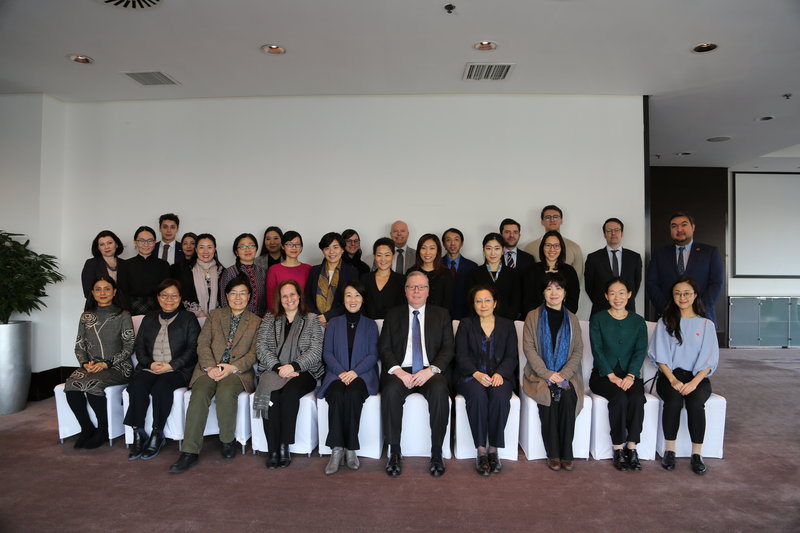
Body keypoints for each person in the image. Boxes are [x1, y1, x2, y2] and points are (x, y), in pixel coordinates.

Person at [169, 274, 261, 474]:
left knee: (226, 393)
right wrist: (210, 367)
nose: (238, 298)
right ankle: (189, 451)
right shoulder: (215, 315)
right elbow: (202, 343)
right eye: (233, 293)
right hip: (208, 369)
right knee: (199, 393)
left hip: (237, 372)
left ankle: (227, 440)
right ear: (226, 296)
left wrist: (231, 367)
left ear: (249, 296)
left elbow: (254, 353)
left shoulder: (256, 321)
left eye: (242, 293)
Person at [380, 271, 454, 477]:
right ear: (405, 291)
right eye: (412, 287)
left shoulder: (441, 314)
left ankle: (437, 451)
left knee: (439, 389)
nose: (416, 291)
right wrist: (398, 371)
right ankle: (394, 451)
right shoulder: (393, 314)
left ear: (428, 291)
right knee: (390, 391)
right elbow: (384, 348)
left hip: (430, 370)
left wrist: (431, 370)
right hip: (401, 370)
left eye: (421, 287)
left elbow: (448, 348)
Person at [648, 276, 719, 475]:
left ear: (695, 295)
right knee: (673, 402)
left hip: (697, 378)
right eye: (677, 293)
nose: (682, 297)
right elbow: (660, 356)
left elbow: (709, 359)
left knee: (696, 403)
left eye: (687, 293)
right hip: (670, 376)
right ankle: (670, 451)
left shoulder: (706, 325)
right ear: (673, 296)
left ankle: (697, 454)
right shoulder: (665, 322)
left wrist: (694, 383)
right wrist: (673, 380)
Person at [125, 279, 201, 460]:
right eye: (164, 295)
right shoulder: (149, 318)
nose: (169, 299)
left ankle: (157, 433)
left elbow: (193, 349)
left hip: (178, 370)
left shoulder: (188, 318)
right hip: (150, 368)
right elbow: (140, 347)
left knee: (161, 387)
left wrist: (172, 365)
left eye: (174, 295)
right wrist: (149, 364)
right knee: (136, 386)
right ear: (158, 297)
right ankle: (138, 432)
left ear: (180, 298)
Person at [254, 280, 324, 469]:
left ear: (299, 295)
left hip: (304, 372)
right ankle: (273, 449)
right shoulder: (270, 319)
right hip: (274, 370)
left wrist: (293, 366)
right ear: (279, 299)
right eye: (284, 296)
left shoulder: (311, 319)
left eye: (292, 294)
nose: (289, 299)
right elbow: (261, 347)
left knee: (289, 394)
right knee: (272, 396)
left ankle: (284, 446)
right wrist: (279, 367)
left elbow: (315, 350)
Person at [521, 272, 585, 471]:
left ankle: (566, 452)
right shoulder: (533, 316)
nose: (553, 293)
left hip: (568, 375)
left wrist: (563, 375)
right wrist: (548, 374)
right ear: (543, 293)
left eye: (558, 288)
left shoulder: (572, 319)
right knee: (547, 395)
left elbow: (578, 351)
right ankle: (553, 453)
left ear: (565, 293)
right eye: (549, 288)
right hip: (538, 374)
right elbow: (529, 348)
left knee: (567, 397)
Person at [317, 280, 379, 474]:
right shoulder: (334, 323)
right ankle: (337, 449)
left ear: (363, 299)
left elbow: (373, 355)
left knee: (352, 394)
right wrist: (341, 372)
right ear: (343, 299)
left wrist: (354, 372)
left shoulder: (370, 325)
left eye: (357, 295)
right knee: (336, 394)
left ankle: (351, 448)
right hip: (336, 374)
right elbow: (327, 353)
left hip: (362, 375)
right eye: (349, 295)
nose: (353, 300)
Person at [64, 276, 134, 449]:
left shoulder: (123, 315)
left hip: (118, 366)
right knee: (71, 384)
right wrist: (85, 364)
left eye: (107, 288)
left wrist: (106, 364)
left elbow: (129, 346)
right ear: (92, 293)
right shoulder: (86, 316)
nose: (102, 293)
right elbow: (79, 345)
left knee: (92, 384)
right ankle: (86, 428)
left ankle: (103, 430)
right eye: (98, 289)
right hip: (91, 366)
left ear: (114, 292)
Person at [455, 285, 517, 476]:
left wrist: (500, 374)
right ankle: (481, 450)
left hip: (499, 376)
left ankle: (493, 450)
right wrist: (476, 373)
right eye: (478, 301)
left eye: (487, 300)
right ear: (473, 304)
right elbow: (461, 355)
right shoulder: (466, 324)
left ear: (495, 303)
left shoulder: (507, 325)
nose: (483, 305)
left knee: (499, 396)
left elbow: (511, 356)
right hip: (471, 376)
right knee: (478, 396)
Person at [589, 277, 648, 472]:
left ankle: (632, 447)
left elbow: (640, 351)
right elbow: (597, 350)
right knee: (619, 398)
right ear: (606, 296)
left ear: (629, 294)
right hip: (602, 376)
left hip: (630, 375)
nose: (617, 297)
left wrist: (630, 375)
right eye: (612, 293)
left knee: (637, 398)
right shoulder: (598, 319)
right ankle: (617, 448)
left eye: (622, 293)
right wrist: (611, 375)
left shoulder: (638, 321)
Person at [646, 211, 724, 325]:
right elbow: (651, 283)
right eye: (674, 226)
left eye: (684, 225)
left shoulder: (710, 252)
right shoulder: (659, 254)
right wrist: (667, 308)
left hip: (702, 315)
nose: (679, 229)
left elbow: (716, 283)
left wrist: (699, 308)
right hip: (667, 316)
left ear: (693, 227)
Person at [584, 218, 642, 316]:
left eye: (616, 230)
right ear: (604, 234)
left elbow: (636, 284)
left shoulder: (634, 257)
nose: (613, 233)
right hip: (601, 310)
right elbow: (589, 286)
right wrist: (601, 301)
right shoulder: (593, 258)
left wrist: (622, 299)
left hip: (627, 310)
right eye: (609, 231)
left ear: (622, 233)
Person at [304, 232, 360, 328]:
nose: (331, 252)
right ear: (323, 251)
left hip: (340, 322)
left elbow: (352, 300)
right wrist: (318, 317)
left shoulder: (351, 272)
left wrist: (328, 316)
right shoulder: (314, 270)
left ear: (342, 249)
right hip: (315, 322)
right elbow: (307, 297)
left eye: (335, 247)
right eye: (327, 248)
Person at [466, 232, 521, 320]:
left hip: (506, 322)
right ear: (484, 250)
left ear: (503, 250)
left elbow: (516, 302)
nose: (492, 253)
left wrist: (507, 321)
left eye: (497, 248)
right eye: (488, 248)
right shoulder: (474, 273)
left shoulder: (513, 273)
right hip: (480, 321)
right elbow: (471, 301)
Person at [523, 230, 580, 315]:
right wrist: (538, 317)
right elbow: (527, 300)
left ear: (561, 248)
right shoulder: (531, 270)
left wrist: (559, 317)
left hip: (563, 318)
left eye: (556, 245)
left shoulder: (569, 271)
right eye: (548, 245)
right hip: (536, 318)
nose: (552, 249)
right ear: (542, 247)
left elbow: (573, 301)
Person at [119, 226, 171, 315]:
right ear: (135, 242)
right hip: (131, 310)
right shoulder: (125, 265)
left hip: (158, 309)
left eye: (150, 240)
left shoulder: (164, 265)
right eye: (142, 240)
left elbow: (166, 290)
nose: (146, 244)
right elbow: (122, 292)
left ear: (154, 242)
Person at [525, 205, 584, 279]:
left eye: (556, 217)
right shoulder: (529, 248)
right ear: (542, 222)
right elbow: (527, 276)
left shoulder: (574, 248)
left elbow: (576, 278)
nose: (552, 220)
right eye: (547, 217)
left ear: (561, 220)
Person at [174, 233, 224, 318]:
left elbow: (224, 298)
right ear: (196, 250)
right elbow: (184, 295)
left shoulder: (222, 271)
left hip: (218, 319)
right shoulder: (187, 270)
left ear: (214, 249)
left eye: (209, 247)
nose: (205, 251)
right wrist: (200, 314)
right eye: (201, 247)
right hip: (192, 318)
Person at [219, 233, 267, 317]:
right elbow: (224, 300)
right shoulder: (229, 272)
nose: (247, 249)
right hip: (237, 320)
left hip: (260, 320)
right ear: (236, 252)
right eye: (242, 246)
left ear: (256, 249)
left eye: (251, 246)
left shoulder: (262, 272)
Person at [266, 230, 312, 313]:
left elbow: (310, 296)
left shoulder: (308, 268)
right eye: (289, 244)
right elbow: (271, 298)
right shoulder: (274, 269)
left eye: (297, 244)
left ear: (301, 247)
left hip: (304, 314)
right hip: (280, 315)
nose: (294, 247)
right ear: (283, 246)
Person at [360, 237, 405, 320]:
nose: (383, 259)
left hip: (393, 326)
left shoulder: (402, 280)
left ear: (393, 256)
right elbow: (361, 305)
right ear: (374, 256)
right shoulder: (365, 279)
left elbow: (403, 308)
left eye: (387, 255)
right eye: (379, 255)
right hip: (368, 325)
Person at [408, 234, 454, 310]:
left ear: (437, 251)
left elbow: (448, 303)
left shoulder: (446, 274)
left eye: (432, 248)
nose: (427, 252)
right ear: (419, 250)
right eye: (423, 248)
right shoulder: (411, 272)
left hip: (439, 316)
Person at [441, 228, 478, 320]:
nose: (453, 243)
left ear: (462, 243)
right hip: (441, 314)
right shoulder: (437, 264)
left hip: (465, 315)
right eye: (448, 240)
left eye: (456, 239)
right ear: (444, 244)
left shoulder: (472, 266)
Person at [80, 230, 127, 299]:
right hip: (98, 305)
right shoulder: (91, 263)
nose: (106, 247)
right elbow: (88, 292)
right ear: (98, 248)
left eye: (110, 243)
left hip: (123, 304)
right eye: (102, 244)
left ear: (116, 244)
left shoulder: (125, 264)